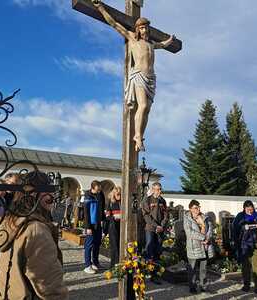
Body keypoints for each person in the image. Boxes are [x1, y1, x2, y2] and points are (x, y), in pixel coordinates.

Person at [92, 0, 175, 152]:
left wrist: (170, 40)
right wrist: (101, 8)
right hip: (138, 75)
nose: (145, 30)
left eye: (146, 27)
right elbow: (114, 24)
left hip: (150, 78)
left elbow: (162, 45)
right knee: (142, 105)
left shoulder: (151, 44)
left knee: (147, 109)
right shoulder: (132, 38)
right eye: (142, 27)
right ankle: (136, 135)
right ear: (137, 29)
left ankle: (140, 135)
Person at [0, 171, 68, 299]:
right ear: (34, 193)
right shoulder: (36, 230)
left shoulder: (10, 221)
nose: (52, 195)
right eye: (48, 189)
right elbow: (51, 289)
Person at [232, 200, 257, 294]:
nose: (249, 210)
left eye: (251, 208)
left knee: (256, 264)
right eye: (247, 208)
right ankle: (246, 285)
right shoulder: (240, 216)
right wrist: (243, 228)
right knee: (245, 265)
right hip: (244, 244)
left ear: (253, 208)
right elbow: (234, 228)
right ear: (244, 208)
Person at [183, 200, 214, 294]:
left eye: (199, 207)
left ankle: (203, 286)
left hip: (204, 247)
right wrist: (203, 237)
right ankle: (192, 286)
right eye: (196, 208)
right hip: (193, 248)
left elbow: (210, 230)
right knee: (192, 269)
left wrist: (207, 238)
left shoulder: (205, 217)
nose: (198, 209)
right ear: (191, 209)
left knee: (203, 269)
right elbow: (190, 233)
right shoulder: (187, 219)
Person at [142, 182, 168, 284]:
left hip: (160, 230)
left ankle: (155, 274)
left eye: (160, 189)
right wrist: (155, 226)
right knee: (149, 249)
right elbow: (146, 215)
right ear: (153, 190)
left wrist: (161, 225)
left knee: (158, 251)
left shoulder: (163, 201)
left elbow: (166, 215)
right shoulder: (147, 200)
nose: (159, 191)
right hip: (150, 229)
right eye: (157, 189)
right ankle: (147, 272)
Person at [83, 180, 105, 274]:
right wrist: (88, 227)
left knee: (97, 244)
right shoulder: (87, 196)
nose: (99, 191)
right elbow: (86, 213)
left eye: (100, 189)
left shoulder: (100, 194)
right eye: (97, 189)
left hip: (98, 224)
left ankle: (95, 263)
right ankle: (88, 265)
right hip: (91, 224)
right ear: (92, 188)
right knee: (89, 245)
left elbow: (102, 207)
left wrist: (104, 219)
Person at [104, 186, 122, 268]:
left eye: (120, 194)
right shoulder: (110, 202)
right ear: (113, 194)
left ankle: (119, 264)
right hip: (113, 226)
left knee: (120, 245)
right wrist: (114, 217)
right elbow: (107, 216)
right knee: (114, 246)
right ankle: (113, 265)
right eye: (117, 194)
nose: (119, 196)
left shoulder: (123, 202)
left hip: (121, 226)